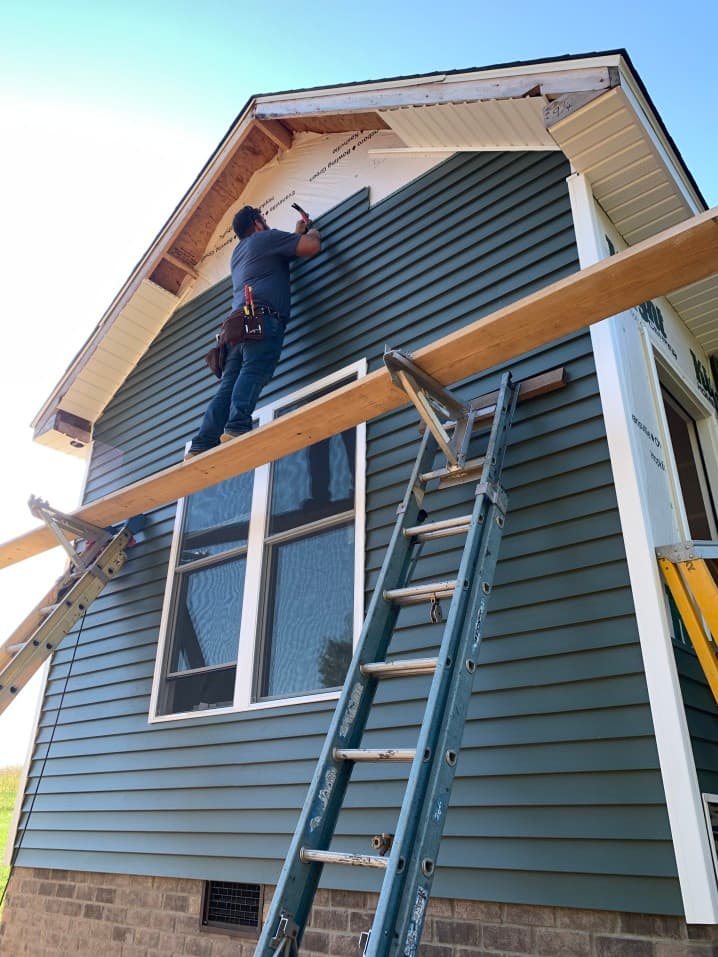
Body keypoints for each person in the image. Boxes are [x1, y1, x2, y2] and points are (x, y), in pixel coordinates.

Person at [185, 205, 321, 457]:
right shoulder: (265, 238)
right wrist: (313, 232)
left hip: (236, 324)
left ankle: (202, 442)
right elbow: (310, 248)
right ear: (257, 224)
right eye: (265, 221)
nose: (267, 225)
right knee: (255, 368)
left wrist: (296, 232)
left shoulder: (238, 253)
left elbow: (282, 254)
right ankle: (237, 427)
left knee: (228, 384)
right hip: (261, 317)